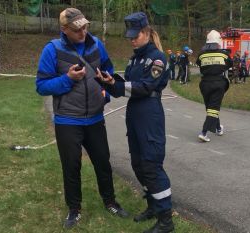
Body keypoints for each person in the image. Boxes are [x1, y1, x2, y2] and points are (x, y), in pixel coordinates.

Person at [35, 8, 128, 228]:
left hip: (95, 118)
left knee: (103, 162)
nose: (83, 32)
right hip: (67, 120)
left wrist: (105, 85)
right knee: (71, 166)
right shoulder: (52, 50)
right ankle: (74, 209)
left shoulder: (96, 44)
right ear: (64, 29)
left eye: (85, 26)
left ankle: (110, 202)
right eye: (77, 29)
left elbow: (109, 69)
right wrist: (67, 79)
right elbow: (41, 86)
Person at [95, 12, 174, 233]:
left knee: (151, 166)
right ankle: (153, 206)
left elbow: (145, 86)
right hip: (135, 114)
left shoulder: (157, 57)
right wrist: (109, 82)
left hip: (149, 114)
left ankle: (166, 220)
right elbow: (125, 87)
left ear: (147, 32)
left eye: (136, 35)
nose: (132, 39)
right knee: (138, 164)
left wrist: (119, 86)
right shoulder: (135, 59)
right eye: (129, 36)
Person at [196, 30, 232, 142]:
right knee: (213, 109)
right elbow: (229, 65)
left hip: (205, 83)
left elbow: (199, 64)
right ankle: (204, 132)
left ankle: (218, 128)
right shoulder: (224, 54)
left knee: (210, 108)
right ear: (218, 42)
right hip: (218, 83)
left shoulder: (201, 54)